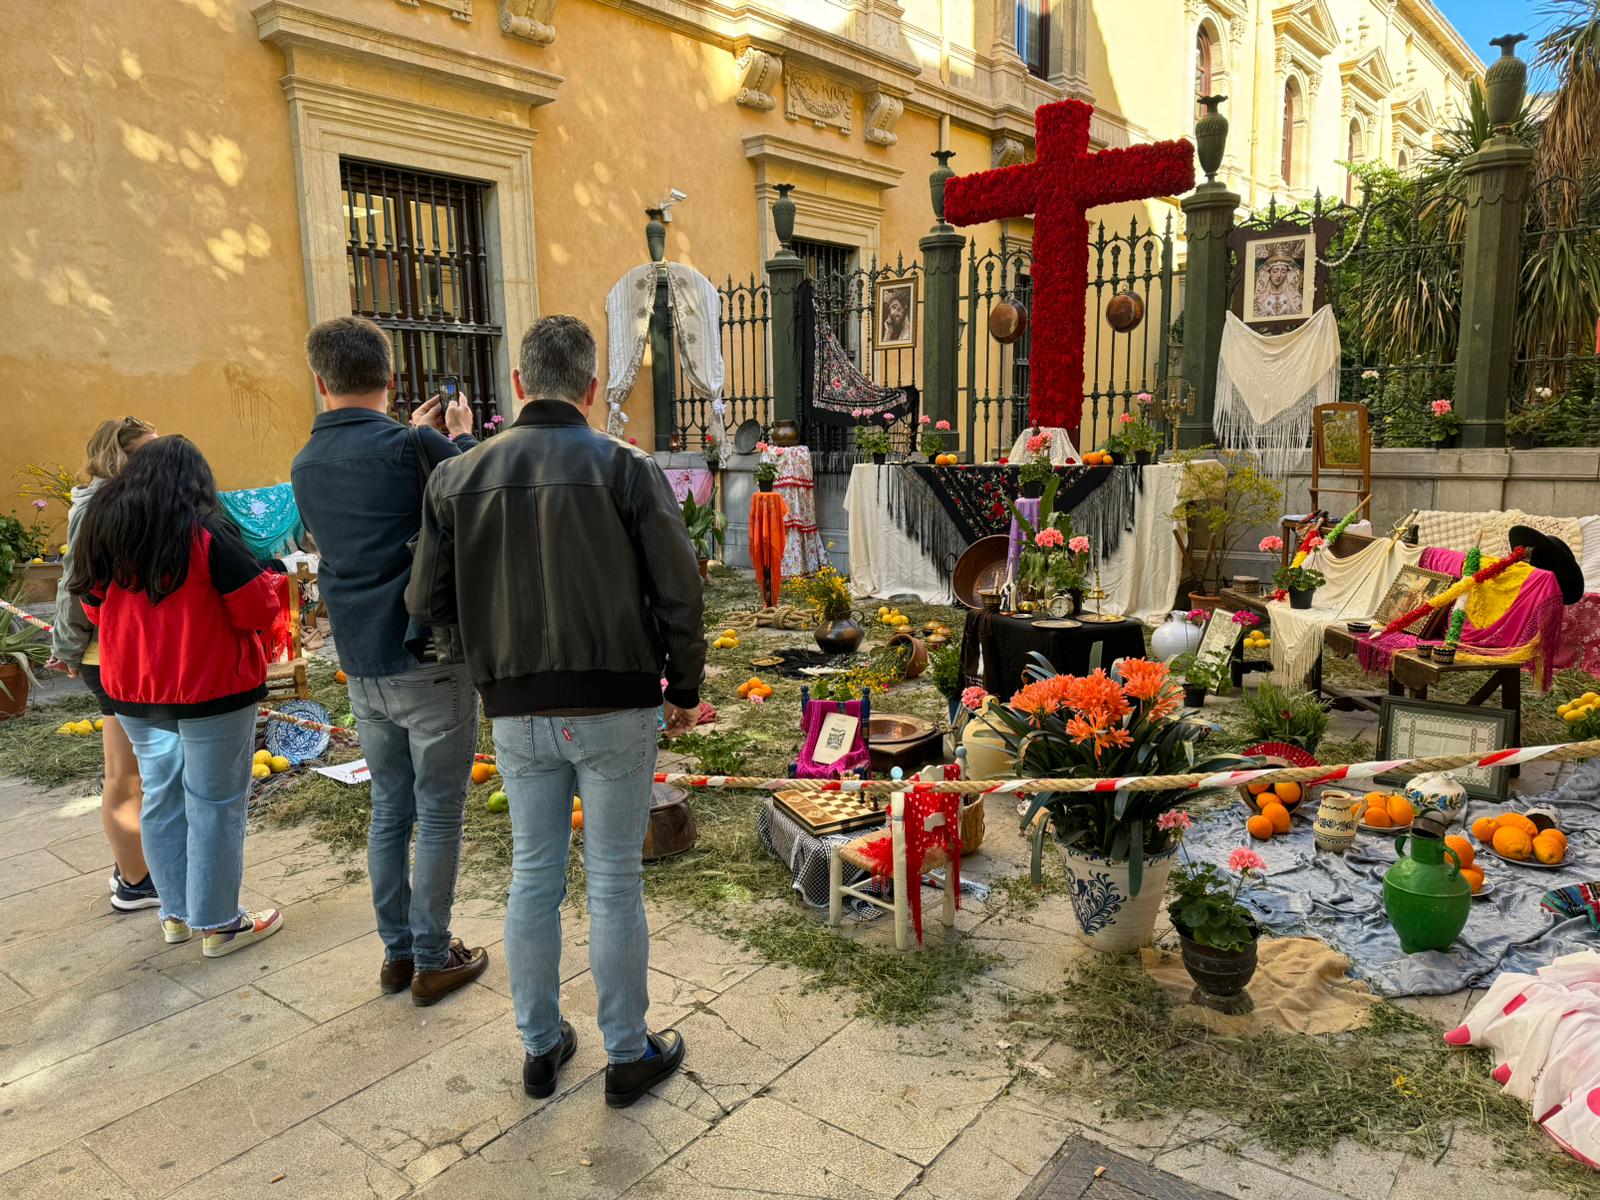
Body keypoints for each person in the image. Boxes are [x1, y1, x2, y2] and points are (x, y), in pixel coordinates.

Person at [408, 315, 705, 1106]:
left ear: (517, 385)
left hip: (516, 706)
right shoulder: (626, 468)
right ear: (588, 386)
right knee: (612, 883)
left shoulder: (458, 477)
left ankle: (541, 1049)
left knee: (533, 876)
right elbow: (680, 587)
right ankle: (627, 1053)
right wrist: (685, 686)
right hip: (616, 702)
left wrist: (483, 662)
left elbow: (427, 602)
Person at [291, 316, 488, 1006]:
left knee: (389, 809)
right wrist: (457, 434)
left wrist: (420, 435)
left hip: (361, 658)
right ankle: (434, 956)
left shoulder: (305, 463)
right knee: (438, 812)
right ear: (391, 377)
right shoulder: (415, 445)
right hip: (428, 651)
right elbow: (485, 497)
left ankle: (397, 954)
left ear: (321, 382)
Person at [68, 436, 283, 956]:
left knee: (161, 796)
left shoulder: (105, 529)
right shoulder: (209, 535)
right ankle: (219, 923)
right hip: (212, 688)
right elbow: (255, 609)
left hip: (135, 690)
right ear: (197, 480)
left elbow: (92, 606)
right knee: (215, 806)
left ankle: (175, 915)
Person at [52, 416, 158, 912]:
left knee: (138, 769)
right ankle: (135, 881)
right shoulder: (97, 506)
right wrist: (68, 648)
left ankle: (135, 867)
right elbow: (73, 582)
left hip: (129, 650)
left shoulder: (129, 501)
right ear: (122, 457)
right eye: (150, 451)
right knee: (124, 773)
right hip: (106, 651)